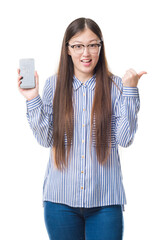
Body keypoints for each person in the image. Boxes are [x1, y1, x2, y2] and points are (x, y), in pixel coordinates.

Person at [17, 17, 147, 240]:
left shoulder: (116, 85)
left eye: (92, 45)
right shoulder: (53, 85)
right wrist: (32, 98)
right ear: (67, 49)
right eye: (78, 46)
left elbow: (125, 139)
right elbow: (46, 138)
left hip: (105, 202)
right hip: (60, 202)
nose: (85, 53)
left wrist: (131, 91)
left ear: (100, 47)